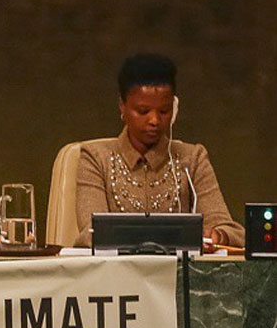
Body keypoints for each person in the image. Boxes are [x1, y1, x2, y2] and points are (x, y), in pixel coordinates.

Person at [75, 53, 243, 248]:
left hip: (178, 275)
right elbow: (92, 233)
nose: (154, 120)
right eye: (143, 111)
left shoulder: (193, 158)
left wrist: (218, 235)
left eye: (164, 111)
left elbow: (231, 230)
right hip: (115, 275)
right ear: (122, 106)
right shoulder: (95, 158)